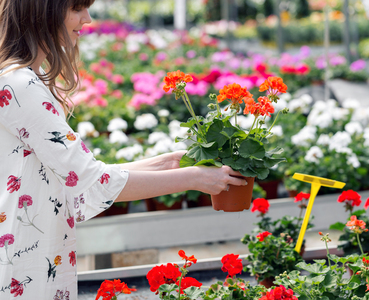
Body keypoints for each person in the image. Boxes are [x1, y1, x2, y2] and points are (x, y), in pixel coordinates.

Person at [0, 0, 247, 298]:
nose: (87, 19)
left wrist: (169, 162)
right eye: (77, 9)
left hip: (33, 253)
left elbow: (81, 177)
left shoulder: (23, 80)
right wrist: (196, 179)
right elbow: (91, 181)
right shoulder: (21, 85)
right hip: (26, 265)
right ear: (42, 12)